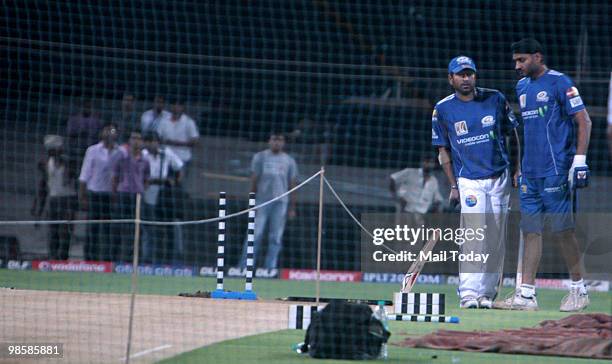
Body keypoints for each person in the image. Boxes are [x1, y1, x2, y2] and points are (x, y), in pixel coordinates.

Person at [495, 38, 593, 312]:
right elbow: (529, 133)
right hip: (531, 173)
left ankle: (579, 290)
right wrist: (520, 167)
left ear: (537, 57)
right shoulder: (522, 86)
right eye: (515, 60)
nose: (517, 66)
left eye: (522, 60)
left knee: (563, 230)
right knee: (529, 231)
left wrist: (579, 161)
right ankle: (526, 296)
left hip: (556, 171)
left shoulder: (560, 82)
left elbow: (584, 120)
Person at [431, 56, 519, 309]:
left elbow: (513, 135)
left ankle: (487, 294)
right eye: (461, 74)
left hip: (499, 178)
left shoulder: (495, 98)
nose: (466, 78)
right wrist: (453, 185)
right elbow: (443, 151)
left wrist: (517, 169)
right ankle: (469, 293)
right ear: (451, 79)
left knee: (495, 238)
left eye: (470, 74)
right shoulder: (443, 109)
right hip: (468, 181)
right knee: (474, 237)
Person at [239, 132, 298, 270]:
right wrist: (251, 201)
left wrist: (292, 207)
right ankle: (244, 267)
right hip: (262, 201)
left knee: (276, 237)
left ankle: (270, 269)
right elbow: (254, 179)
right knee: (255, 234)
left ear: (283, 142)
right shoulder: (260, 157)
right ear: (269, 141)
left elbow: (293, 184)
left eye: (280, 140)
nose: (277, 142)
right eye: (274, 139)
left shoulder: (289, 161)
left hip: (281, 202)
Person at [78, 123, 121, 261]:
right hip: (94, 194)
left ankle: (108, 260)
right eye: (107, 130)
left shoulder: (119, 151)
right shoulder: (93, 150)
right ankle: (90, 259)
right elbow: (84, 174)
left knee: (109, 230)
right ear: (102, 132)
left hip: (110, 195)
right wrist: (82, 196)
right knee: (92, 229)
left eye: (113, 130)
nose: (110, 133)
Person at [31, 135, 78, 259]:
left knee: (65, 232)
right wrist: (38, 211)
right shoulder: (45, 164)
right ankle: (52, 258)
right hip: (53, 200)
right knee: (52, 233)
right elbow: (42, 188)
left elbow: (74, 180)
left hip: (67, 200)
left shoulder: (69, 163)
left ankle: (63, 258)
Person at [142, 132, 183, 264]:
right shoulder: (143, 155)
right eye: (149, 141)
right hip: (146, 194)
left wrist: (176, 182)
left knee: (170, 227)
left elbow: (180, 167)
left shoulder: (166, 153)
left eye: (154, 141)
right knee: (148, 228)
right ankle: (147, 258)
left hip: (163, 195)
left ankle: (170, 260)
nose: (152, 144)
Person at [111, 130, 150, 262]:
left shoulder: (145, 159)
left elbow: (146, 178)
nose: (136, 141)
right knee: (119, 227)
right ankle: (114, 259)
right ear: (129, 140)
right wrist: (115, 193)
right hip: (123, 194)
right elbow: (115, 176)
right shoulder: (122, 155)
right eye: (133, 138)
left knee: (137, 228)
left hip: (138, 196)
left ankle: (133, 260)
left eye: (139, 138)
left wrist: (141, 189)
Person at [389, 157, 443, 226]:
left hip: (420, 215)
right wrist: (395, 196)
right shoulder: (410, 172)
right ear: (422, 162)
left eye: (431, 162)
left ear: (434, 165)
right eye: (427, 161)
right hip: (405, 211)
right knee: (402, 233)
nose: (429, 164)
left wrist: (435, 212)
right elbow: (393, 178)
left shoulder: (434, 181)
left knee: (418, 235)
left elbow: (438, 199)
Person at [157, 99, 199, 180]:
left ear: (182, 108)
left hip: (182, 158)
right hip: (166, 158)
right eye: (174, 105)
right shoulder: (163, 121)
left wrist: (176, 143)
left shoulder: (189, 122)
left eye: (178, 106)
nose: (176, 107)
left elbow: (195, 141)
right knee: (164, 183)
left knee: (180, 184)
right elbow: (157, 137)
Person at [67, 99, 103, 169]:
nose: (87, 108)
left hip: (91, 151)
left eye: (89, 107)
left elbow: (99, 136)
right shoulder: (73, 119)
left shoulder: (96, 120)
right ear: (81, 107)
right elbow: (69, 133)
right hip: (75, 151)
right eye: (85, 106)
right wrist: (80, 132)